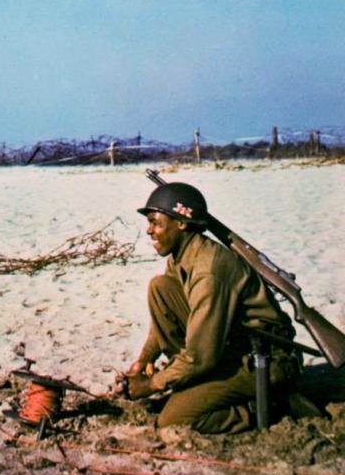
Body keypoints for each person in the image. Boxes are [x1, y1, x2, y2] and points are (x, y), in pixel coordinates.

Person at [116, 182, 298, 433]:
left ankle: (263, 407)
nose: (149, 231)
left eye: (155, 223)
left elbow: (200, 356)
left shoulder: (208, 270)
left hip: (264, 360)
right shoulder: (183, 254)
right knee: (160, 287)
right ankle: (195, 383)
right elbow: (168, 315)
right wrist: (144, 360)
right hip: (228, 347)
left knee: (173, 420)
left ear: (181, 224)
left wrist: (151, 385)